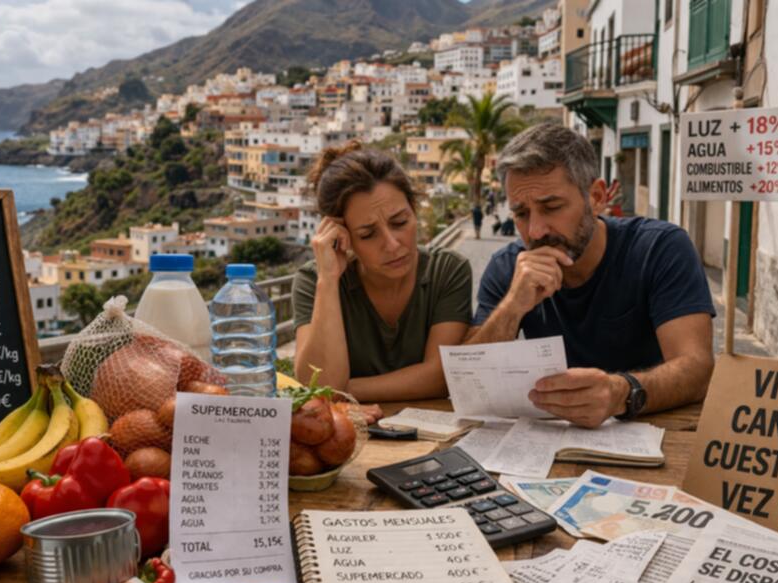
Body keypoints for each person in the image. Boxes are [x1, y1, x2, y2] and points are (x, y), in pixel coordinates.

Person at [467, 122, 715, 428]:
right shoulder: (508, 267)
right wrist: (513, 306)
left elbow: (697, 368)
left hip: (654, 433)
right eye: (521, 214)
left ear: (596, 197)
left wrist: (621, 393)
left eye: (552, 207)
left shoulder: (659, 249)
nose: (535, 231)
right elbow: (469, 379)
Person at [293, 141, 473, 402]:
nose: (392, 244)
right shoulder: (314, 281)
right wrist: (328, 281)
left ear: (414, 210)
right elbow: (318, 385)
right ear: (342, 236)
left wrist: (345, 391)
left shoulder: (447, 271)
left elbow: (441, 376)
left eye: (400, 222)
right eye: (368, 234)